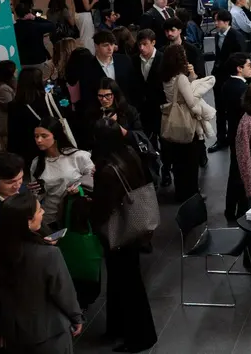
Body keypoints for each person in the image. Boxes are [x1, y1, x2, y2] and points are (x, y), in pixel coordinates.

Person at [89, 118, 158, 352]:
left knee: (128, 285)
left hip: (118, 231)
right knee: (124, 282)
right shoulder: (128, 153)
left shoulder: (107, 171)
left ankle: (140, 336)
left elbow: (102, 209)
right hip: (134, 225)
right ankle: (118, 328)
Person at [0, 191, 84, 353]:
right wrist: (77, 317)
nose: (43, 212)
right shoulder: (49, 255)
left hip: (13, 332)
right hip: (49, 333)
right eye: (38, 210)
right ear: (27, 222)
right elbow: (64, 293)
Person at [162, 44, 213, 202]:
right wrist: (199, 113)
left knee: (178, 163)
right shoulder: (181, 77)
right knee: (190, 163)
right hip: (186, 122)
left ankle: (180, 192)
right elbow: (190, 102)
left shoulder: (166, 77)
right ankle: (191, 194)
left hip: (172, 120)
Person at [27, 117, 94, 227]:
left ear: (56, 136)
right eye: (36, 136)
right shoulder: (37, 163)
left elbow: (93, 177)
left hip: (75, 214)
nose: (39, 140)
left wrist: (79, 187)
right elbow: (37, 197)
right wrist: (36, 191)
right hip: (50, 217)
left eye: (44, 136)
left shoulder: (77, 156)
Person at [209, 10, 246, 153]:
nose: (215, 23)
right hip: (219, 78)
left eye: (218, 21)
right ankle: (221, 138)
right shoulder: (217, 35)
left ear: (226, 21)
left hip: (232, 78)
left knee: (232, 110)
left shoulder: (236, 36)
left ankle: (233, 137)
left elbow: (242, 56)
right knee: (220, 110)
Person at [222, 53, 251, 220]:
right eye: (248, 65)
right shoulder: (242, 89)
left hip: (233, 131)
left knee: (235, 170)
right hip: (241, 134)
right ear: (239, 69)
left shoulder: (227, 84)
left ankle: (230, 208)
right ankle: (240, 209)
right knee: (240, 172)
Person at [7, 66, 50, 166]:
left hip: (28, 149)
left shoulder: (14, 105)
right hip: (49, 144)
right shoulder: (48, 98)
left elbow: (13, 132)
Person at [13, 3, 56, 71]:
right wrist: (35, 18)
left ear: (16, 14)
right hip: (38, 60)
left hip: (22, 60)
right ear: (29, 12)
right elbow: (52, 25)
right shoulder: (36, 26)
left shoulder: (14, 27)